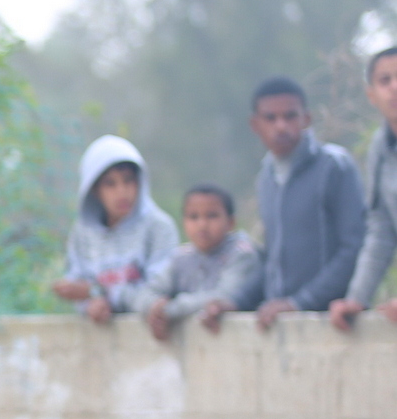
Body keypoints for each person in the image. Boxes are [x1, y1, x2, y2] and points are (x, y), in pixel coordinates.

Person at [246, 77, 367, 330]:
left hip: (333, 321)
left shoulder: (334, 166)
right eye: (270, 118)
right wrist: (230, 300)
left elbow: (354, 247)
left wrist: (300, 302)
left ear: (306, 119)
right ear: (255, 125)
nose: (281, 126)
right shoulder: (265, 177)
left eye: (290, 116)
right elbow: (272, 256)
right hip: (280, 322)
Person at [52, 136, 176, 322]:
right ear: (95, 190)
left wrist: (100, 294)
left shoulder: (159, 227)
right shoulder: (82, 232)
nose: (122, 192)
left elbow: (157, 292)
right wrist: (90, 304)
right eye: (110, 184)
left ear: (139, 182)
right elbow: (77, 283)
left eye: (128, 181)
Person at [329, 46, 397, 330]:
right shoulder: (380, 149)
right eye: (385, 80)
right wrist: (356, 297)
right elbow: (381, 229)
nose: (395, 87)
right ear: (371, 95)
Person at [144, 187, 259, 342]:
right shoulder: (181, 257)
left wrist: (171, 309)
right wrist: (154, 308)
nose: (202, 225)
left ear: (231, 222)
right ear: (183, 222)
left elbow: (224, 295)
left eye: (212, 216)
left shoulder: (242, 253)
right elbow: (149, 291)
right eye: (193, 217)